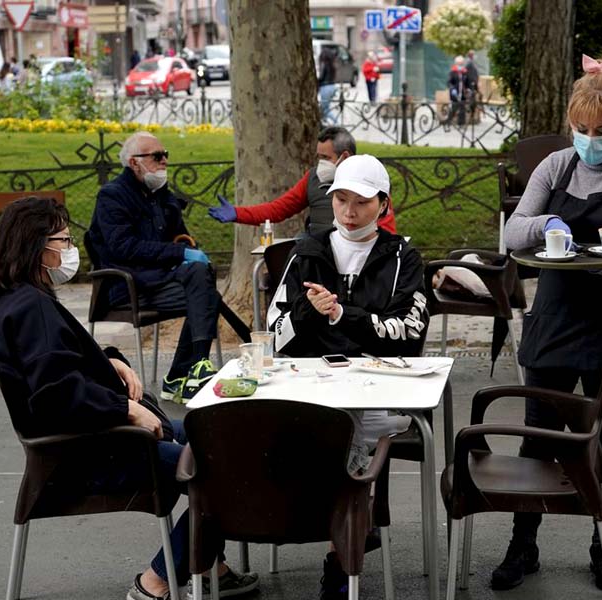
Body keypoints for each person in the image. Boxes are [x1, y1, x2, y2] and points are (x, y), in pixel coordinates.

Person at [0, 197, 258, 600]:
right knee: (225, 470)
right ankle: (157, 582)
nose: (71, 249)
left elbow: (61, 363)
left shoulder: (20, 300)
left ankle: (209, 568)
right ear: (37, 247)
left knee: (222, 439)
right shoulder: (31, 307)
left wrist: (110, 361)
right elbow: (55, 396)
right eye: (64, 240)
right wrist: (126, 409)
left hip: (99, 437)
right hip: (93, 451)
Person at [499, 54, 602, 592]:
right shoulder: (555, 166)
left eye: (601, 131)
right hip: (555, 318)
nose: (589, 139)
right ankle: (523, 544)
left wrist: (598, 262)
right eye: (580, 129)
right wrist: (544, 222)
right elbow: (513, 233)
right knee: (537, 436)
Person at [266, 154, 429, 600]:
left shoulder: (403, 256)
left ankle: (340, 551)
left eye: (361, 202)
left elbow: (409, 330)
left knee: (350, 429)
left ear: (383, 204)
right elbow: (275, 329)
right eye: (340, 199)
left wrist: (340, 315)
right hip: (313, 382)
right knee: (317, 425)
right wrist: (310, 311)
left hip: (378, 384)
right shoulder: (307, 251)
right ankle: (350, 530)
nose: (349, 211)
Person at [88, 132, 221, 403]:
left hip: (161, 280)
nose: (164, 163)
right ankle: (192, 369)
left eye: (166, 156)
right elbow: (123, 248)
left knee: (203, 286)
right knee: (207, 293)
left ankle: (181, 375)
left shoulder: (161, 196)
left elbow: (180, 238)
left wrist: (188, 250)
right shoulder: (112, 196)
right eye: (157, 157)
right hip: (128, 285)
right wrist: (181, 253)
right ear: (134, 163)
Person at [207, 126, 397, 235]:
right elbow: (278, 209)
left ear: (344, 156)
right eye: (340, 199)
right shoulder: (312, 179)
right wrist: (238, 213)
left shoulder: (371, 180)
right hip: (317, 250)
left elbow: (386, 230)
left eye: (326, 158)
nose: (349, 211)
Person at [317, 47, 337, 126]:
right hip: (332, 86)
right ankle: (324, 124)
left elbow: (321, 77)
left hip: (325, 87)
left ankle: (337, 124)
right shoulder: (332, 65)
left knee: (325, 110)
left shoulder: (323, 64)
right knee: (326, 108)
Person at [447, 55, 469, 126]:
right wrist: (452, 89)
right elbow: (449, 82)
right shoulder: (452, 72)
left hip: (462, 93)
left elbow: (467, 82)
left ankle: (461, 123)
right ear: (456, 63)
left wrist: (469, 89)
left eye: (461, 63)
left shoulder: (464, 72)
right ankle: (449, 121)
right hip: (455, 94)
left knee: (462, 109)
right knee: (454, 108)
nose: (460, 65)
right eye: (459, 63)